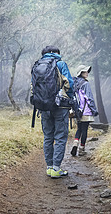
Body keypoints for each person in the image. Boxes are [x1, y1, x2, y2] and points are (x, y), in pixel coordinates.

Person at [38, 45, 74, 178]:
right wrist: (69, 98)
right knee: (60, 137)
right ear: (55, 53)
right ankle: (56, 168)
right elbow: (69, 83)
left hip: (44, 107)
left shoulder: (38, 65)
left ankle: (49, 167)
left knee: (48, 137)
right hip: (61, 106)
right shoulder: (61, 64)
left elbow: (33, 87)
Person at [70, 65, 99, 157]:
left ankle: (75, 144)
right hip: (86, 110)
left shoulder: (75, 83)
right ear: (81, 73)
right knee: (84, 129)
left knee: (79, 129)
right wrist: (94, 110)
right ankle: (81, 149)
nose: (87, 73)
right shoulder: (85, 84)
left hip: (78, 110)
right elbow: (89, 98)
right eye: (85, 71)